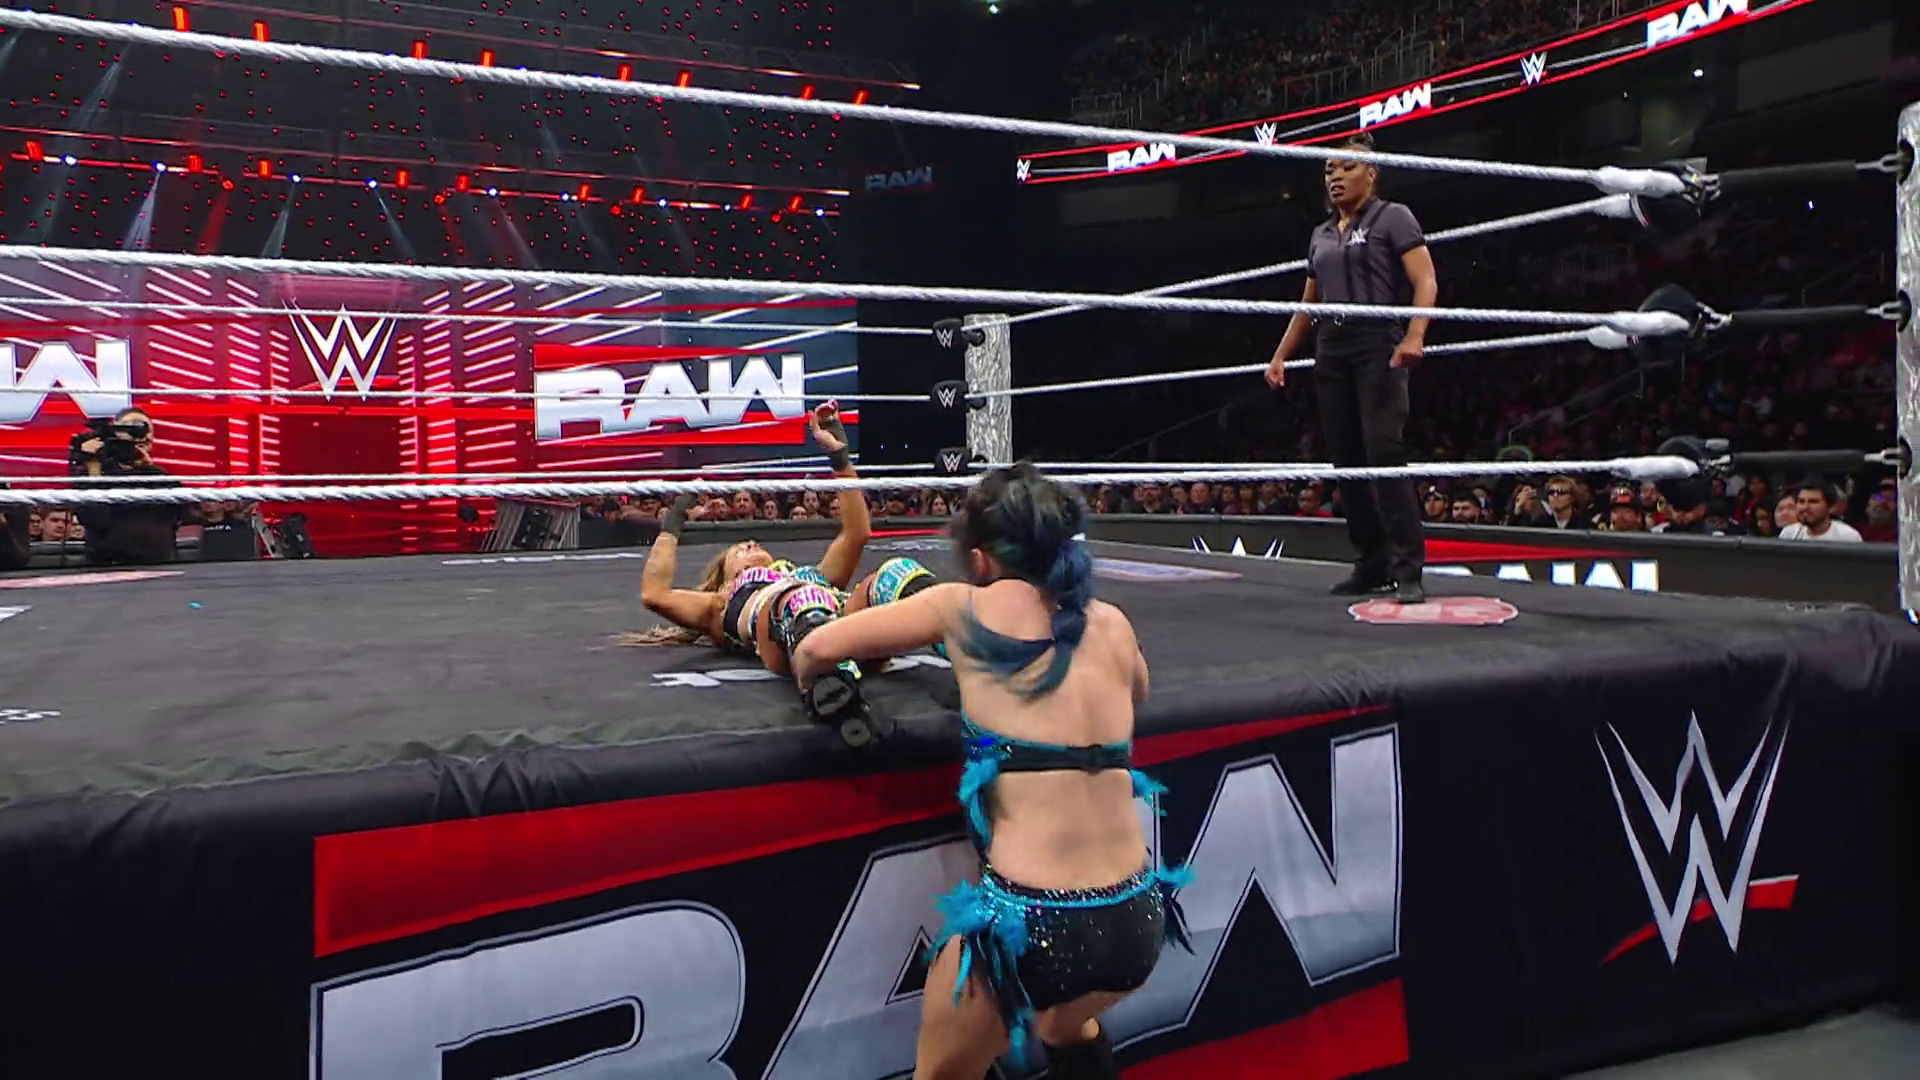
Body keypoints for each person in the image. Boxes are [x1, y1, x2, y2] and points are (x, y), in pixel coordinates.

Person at [790, 464, 1191, 1080]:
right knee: (1067, 1026)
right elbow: (1138, 689)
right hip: (1137, 917)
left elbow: (816, 648)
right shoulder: (1111, 621)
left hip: (1035, 921)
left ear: (979, 558)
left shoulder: (960, 608)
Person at [632, 404, 942, 744]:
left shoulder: (811, 575)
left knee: (896, 572)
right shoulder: (721, 603)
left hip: (844, 626)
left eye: (752, 543)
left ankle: (966, 642)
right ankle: (833, 691)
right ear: (726, 577)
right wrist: (674, 522)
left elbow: (857, 534)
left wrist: (839, 458)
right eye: (739, 550)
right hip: (790, 637)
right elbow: (655, 594)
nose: (750, 543)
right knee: (802, 597)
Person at [1266, 131, 1435, 604]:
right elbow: (1309, 303)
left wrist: (1415, 335)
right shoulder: (1320, 234)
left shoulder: (1393, 216)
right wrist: (1281, 354)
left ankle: (1408, 568)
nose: (1335, 177)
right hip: (1332, 346)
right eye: (1328, 170)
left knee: (1383, 451)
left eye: (1346, 167)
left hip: (1377, 338)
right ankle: (1371, 562)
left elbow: (1426, 279)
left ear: (1371, 173)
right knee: (1346, 459)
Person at [1776, 479, 1862, 542]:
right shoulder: (1789, 533)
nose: (1805, 507)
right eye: (1801, 501)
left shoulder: (1848, 536)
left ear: (1830, 507)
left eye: (1813, 502)